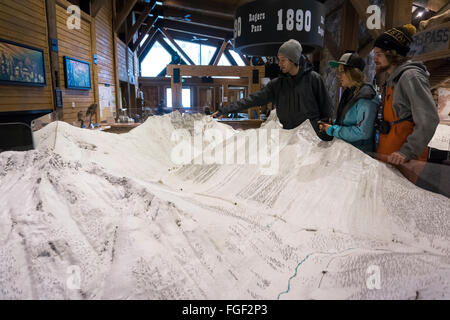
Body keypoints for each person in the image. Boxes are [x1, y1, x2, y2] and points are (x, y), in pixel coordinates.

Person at [213, 39, 334, 141]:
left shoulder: (313, 79)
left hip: (311, 139)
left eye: (283, 60)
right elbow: (253, 99)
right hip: (289, 139)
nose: (279, 64)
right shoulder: (277, 84)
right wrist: (225, 110)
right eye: (278, 60)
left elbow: (326, 107)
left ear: (293, 60)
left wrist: (323, 133)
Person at [372, 24, 439, 182]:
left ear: (393, 54)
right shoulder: (392, 79)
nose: (374, 59)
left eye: (379, 54)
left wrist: (407, 152)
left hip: (404, 162)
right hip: (389, 157)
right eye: (374, 54)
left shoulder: (410, 77)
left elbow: (428, 120)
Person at [318, 52, 379, 153]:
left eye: (342, 71)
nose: (338, 76)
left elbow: (363, 132)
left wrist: (333, 130)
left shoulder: (366, 97)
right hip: (348, 152)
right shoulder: (350, 92)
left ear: (353, 73)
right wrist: (331, 122)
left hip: (360, 155)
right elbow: (348, 121)